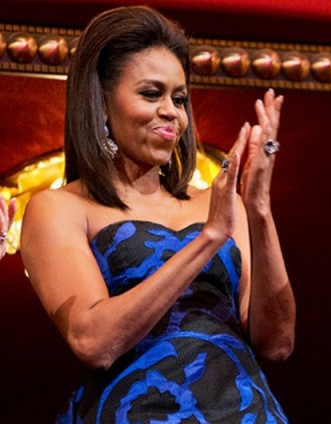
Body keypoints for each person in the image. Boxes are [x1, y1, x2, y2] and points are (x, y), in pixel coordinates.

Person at [21, 6, 295, 422]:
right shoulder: (59, 208)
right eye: (152, 94)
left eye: (179, 99)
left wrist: (258, 209)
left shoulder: (219, 205)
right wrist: (207, 240)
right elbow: (93, 343)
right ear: (102, 103)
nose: (172, 112)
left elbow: (277, 343)